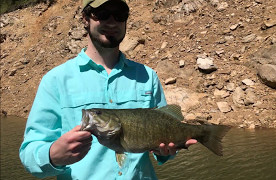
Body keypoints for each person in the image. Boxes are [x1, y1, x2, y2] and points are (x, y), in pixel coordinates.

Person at [19, 0, 197, 179]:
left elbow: (165, 143)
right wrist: (52, 155)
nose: (112, 22)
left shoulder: (147, 76)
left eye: (119, 15)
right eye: (102, 14)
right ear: (85, 18)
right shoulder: (56, 80)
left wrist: (166, 152)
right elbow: (29, 154)